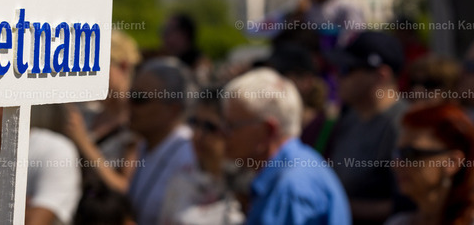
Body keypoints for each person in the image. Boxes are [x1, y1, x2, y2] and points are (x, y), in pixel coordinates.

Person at [222, 67, 350, 224]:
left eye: (232, 126)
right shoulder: (292, 169)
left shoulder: (291, 188)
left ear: (268, 130)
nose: (223, 134)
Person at [326, 31, 409, 225]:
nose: (337, 76)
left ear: (381, 75)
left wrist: (335, 206)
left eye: (347, 69)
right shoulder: (349, 119)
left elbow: (406, 205)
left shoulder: (403, 126)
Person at [65, 30, 141, 193]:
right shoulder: (91, 112)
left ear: (123, 66)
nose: (89, 75)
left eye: (97, 68)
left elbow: (123, 187)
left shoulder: (137, 122)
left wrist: (83, 142)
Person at [159, 89, 245, 225]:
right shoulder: (182, 179)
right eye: (194, 122)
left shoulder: (244, 190)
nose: (198, 135)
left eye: (210, 127)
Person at [128, 57, 197, 225]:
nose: (129, 106)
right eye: (130, 96)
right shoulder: (145, 143)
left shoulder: (189, 154)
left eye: (139, 99)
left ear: (172, 110)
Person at [385, 102, 474, 225]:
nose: (396, 165)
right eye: (397, 153)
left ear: (452, 162)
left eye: (409, 153)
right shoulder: (398, 222)